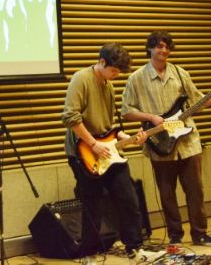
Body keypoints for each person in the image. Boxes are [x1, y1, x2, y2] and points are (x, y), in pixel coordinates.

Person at [122, 31, 211, 246]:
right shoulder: (136, 78)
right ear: (150, 48)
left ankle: (200, 233)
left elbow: (198, 102)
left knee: (195, 190)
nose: (164, 50)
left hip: (188, 142)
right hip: (159, 144)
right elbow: (127, 111)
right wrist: (151, 117)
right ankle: (175, 235)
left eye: (167, 47)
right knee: (167, 193)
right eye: (159, 46)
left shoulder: (180, 73)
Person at [62, 42, 148, 258]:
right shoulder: (81, 79)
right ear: (101, 62)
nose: (116, 75)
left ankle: (134, 246)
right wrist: (93, 144)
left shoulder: (109, 86)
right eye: (114, 70)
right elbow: (70, 117)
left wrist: (127, 138)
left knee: (128, 198)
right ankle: (89, 251)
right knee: (92, 203)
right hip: (83, 152)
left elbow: (109, 127)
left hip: (106, 149)